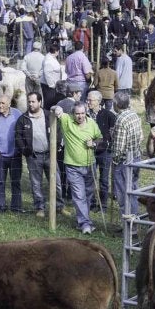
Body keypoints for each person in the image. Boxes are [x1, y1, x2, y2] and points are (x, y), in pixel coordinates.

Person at [56, 97, 102, 233]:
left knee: (88, 194)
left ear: (86, 112)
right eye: (77, 114)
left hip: (90, 165)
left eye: (82, 113)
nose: (80, 116)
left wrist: (93, 144)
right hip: (72, 166)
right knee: (78, 195)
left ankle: (82, 220)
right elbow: (54, 110)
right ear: (73, 114)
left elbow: (99, 138)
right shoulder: (66, 120)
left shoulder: (92, 123)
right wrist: (57, 109)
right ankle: (85, 224)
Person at [13, 93, 53, 214]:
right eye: (29, 102)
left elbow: (58, 130)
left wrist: (55, 147)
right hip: (34, 156)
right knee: (36, 183)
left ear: (40, 102)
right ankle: (40, 207)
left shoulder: (48, 116)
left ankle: (59, 206)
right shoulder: (23, 119)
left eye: (33, 102)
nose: (30, 104)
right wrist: (25, 151)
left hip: (50, 155)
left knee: (55, 182)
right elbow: (18, 137)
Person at [111, 93, 147, 221]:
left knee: (123, 194)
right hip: (136, 158)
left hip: (124, 162)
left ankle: (129, 226)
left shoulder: (120, 119)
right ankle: (135, 222)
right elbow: (141, 136)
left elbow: (119, 148)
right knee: (133, 191)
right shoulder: (134, 115)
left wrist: (114, 161)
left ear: (116, 105)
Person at [0, 97, 23, 213]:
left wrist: (21, 148)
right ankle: (1, 206)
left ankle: (16, 207)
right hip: (0, 156)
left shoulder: (17, 114)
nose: (0, 105)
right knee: (0, 182)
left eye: (3, 103)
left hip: (15, 155)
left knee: (16, 182)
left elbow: (23, 131)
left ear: (9, 104)